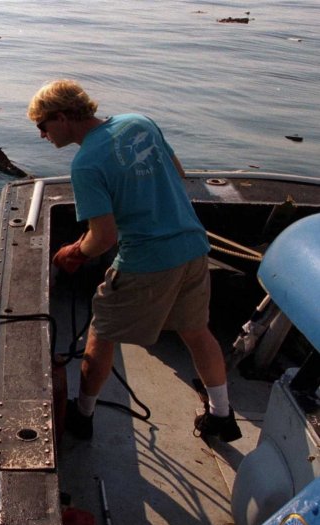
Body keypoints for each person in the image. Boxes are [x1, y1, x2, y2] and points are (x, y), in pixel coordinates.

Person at [27, 79, 241, 442]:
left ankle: (83, 415)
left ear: (61, 117)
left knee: (102, 333)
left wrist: (73, 252)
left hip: (146, 261)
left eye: (42, 126)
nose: (42, 135)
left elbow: (104, 237)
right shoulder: (139, 122)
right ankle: (222, 414)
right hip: (192, 248)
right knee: (196, 331)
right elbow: (178, 174)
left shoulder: (86, 164)